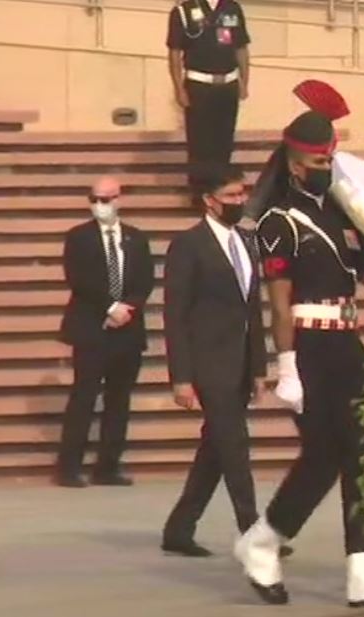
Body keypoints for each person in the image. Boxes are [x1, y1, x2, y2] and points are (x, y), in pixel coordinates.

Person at [234, 80, 364, 607]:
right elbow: (278, 300)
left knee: (350, 453)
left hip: (346, 343)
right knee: (333, 452)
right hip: (309, 345)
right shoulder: (279, 221)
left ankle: (332, 558)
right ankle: (283, 546)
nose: (326, 166)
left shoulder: (339, 213)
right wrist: (287, 364)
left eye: (330, 157)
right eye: (318, 160)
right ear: (295, 165)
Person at [160, 164, 267, 558]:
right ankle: (253, 530)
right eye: (231, 196)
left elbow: (253, 309)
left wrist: (259, 367)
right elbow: (175, 314)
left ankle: (179, 528)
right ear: (209, 200)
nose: (239, 202)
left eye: (242, 194)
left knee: (216, 449)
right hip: (208, 363)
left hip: (239, 363)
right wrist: (181, 377)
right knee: (234, 445)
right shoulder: (188, 245)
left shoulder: (245, 241)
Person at [55, 176, 155, 488]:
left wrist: (128, 308)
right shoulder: (78, 237)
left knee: (119, 399)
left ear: (120, 199)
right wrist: (109, 307)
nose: (101, 206)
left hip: (128, 329)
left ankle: (107, 466)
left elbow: (145, 280)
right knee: (84, 396)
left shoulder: (136, 238)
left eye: (107, 199)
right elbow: (78, 278)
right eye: (95, 199)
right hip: (91, 327)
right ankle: (69, 467)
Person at [166, 0, 250, 201]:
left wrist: (244, 81)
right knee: (200, 142)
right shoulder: (183, 11)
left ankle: (221, 189)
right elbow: (174, 53)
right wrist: (179, 88)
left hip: (228, 84)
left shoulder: (232, 8)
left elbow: (241, 47)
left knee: (224, 140)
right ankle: (200, 193)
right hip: (199, 85)